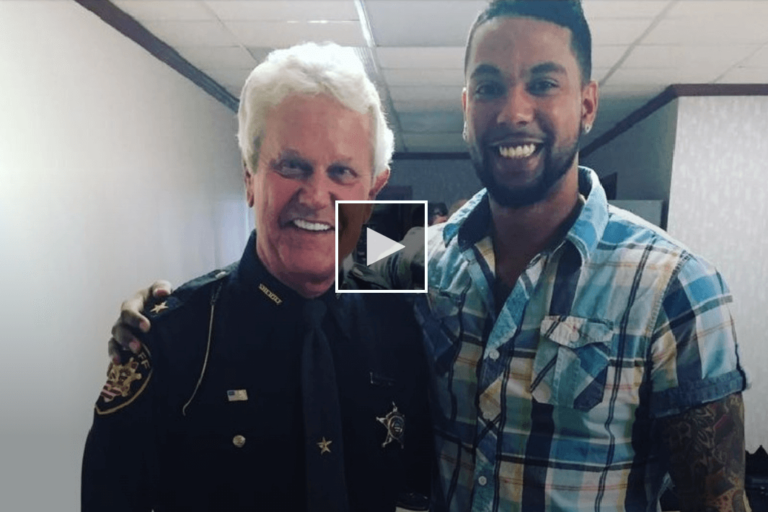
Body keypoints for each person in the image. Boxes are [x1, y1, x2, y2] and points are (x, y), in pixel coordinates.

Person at [110, 1, 750, 511]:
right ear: (467, 109)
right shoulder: (424, 253)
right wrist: (156, 323)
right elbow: (306, 245)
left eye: (543, 83)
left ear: (586, 103)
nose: (514, 110)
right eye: (490, 86)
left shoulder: (673, 285)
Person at [82, 42, 433, 512]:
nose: (315, 195)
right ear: (249, 176)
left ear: (372, 192)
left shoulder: (404, 324)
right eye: (292, 165)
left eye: (342, 172)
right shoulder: (172, 342)